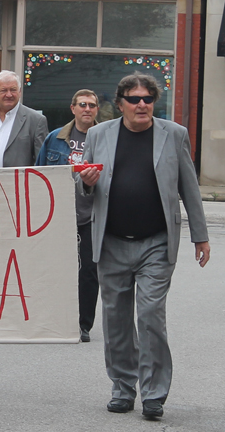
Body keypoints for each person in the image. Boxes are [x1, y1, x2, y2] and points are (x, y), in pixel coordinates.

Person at [78, 72, 210, 418]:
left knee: (151, 316)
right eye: (134, 99)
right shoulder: (98, 135)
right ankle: (122, 387)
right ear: (120, 103)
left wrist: (201, 235)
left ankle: (153, 393)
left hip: (156, 242)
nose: (142, 105)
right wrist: (86, 184)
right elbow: (81, 192)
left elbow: (189, 187)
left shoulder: (174, 135)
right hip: (111, 242)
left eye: (148, 99)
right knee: (116, 319)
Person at [35, 89, 99, 343]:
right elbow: (38, 174)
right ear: (73, 108)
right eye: (82, 104)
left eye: (92, 105)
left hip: (92, 216)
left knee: (89, 272)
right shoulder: (55, 139)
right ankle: (53, 318)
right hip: (59, 215)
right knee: (55, 269)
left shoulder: (105, 139)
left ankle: (83, 324)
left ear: (96, 110)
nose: (87, 109)